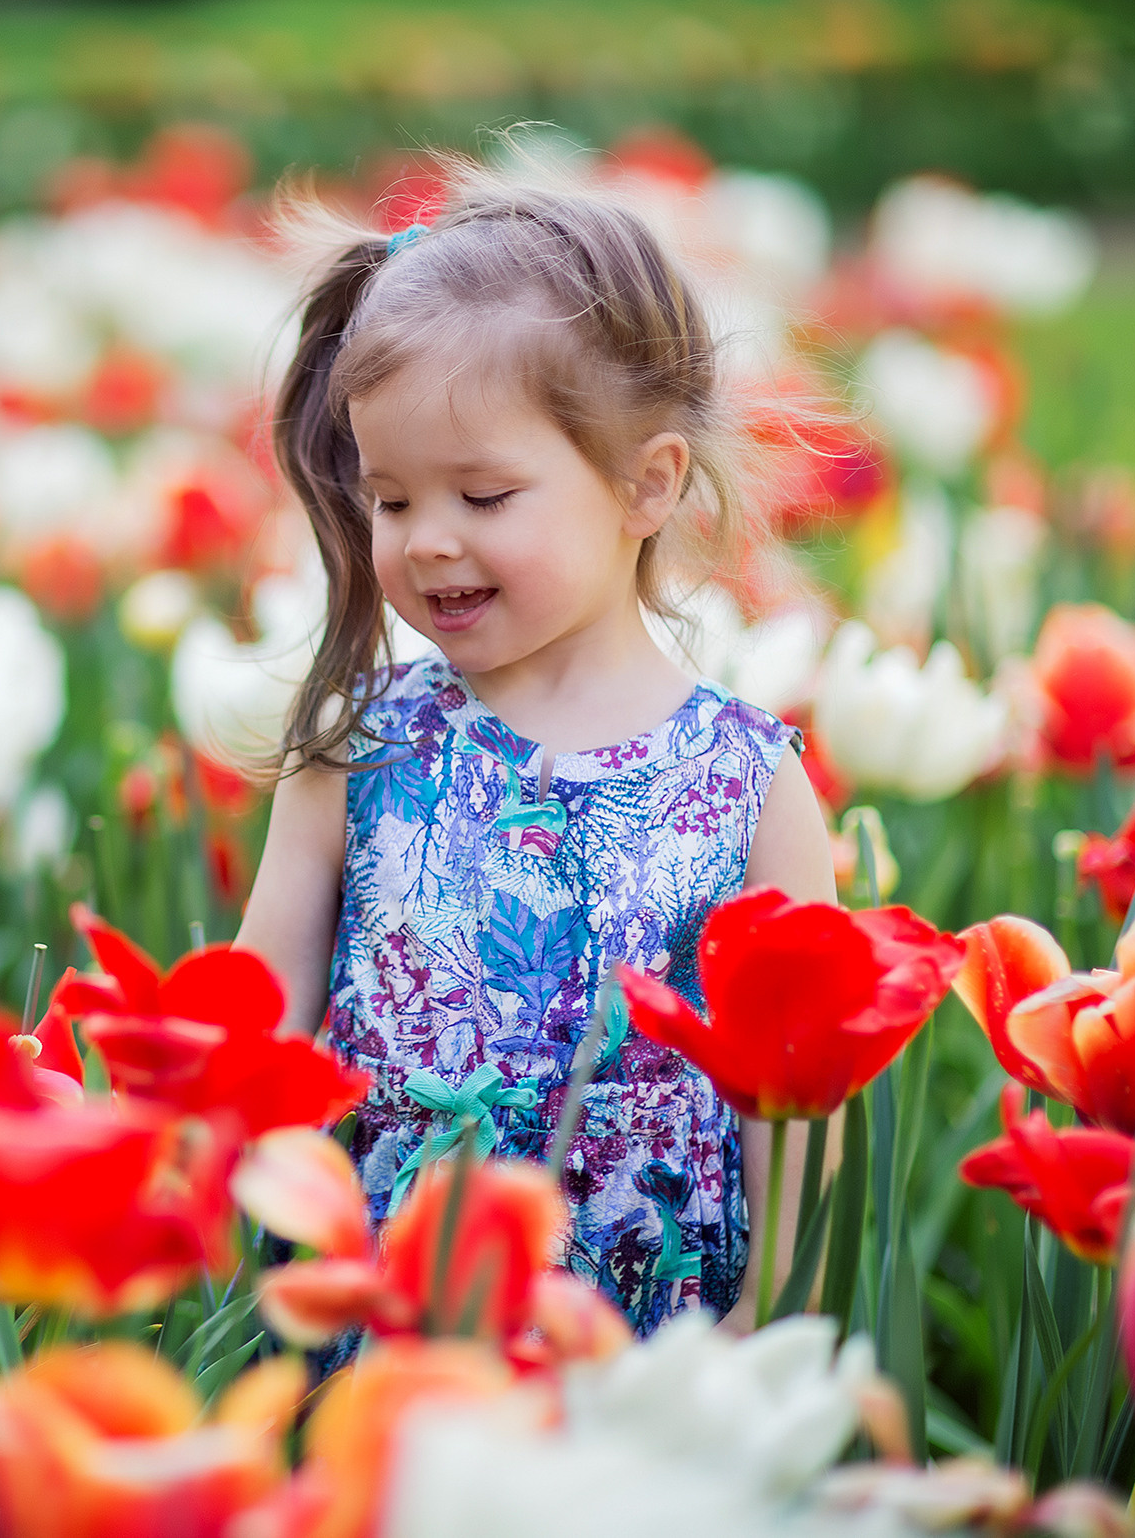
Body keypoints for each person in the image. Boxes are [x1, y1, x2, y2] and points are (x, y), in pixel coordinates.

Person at [235, 168, 835, 1333]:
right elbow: (255, 1031)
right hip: (400, 1310)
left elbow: (793, 1099)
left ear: (645, 483)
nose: (429, 541)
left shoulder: (749, 784)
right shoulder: (356, 753)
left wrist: (775, 1309)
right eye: (393, 501)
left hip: (652, 1331)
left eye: (485, 493)